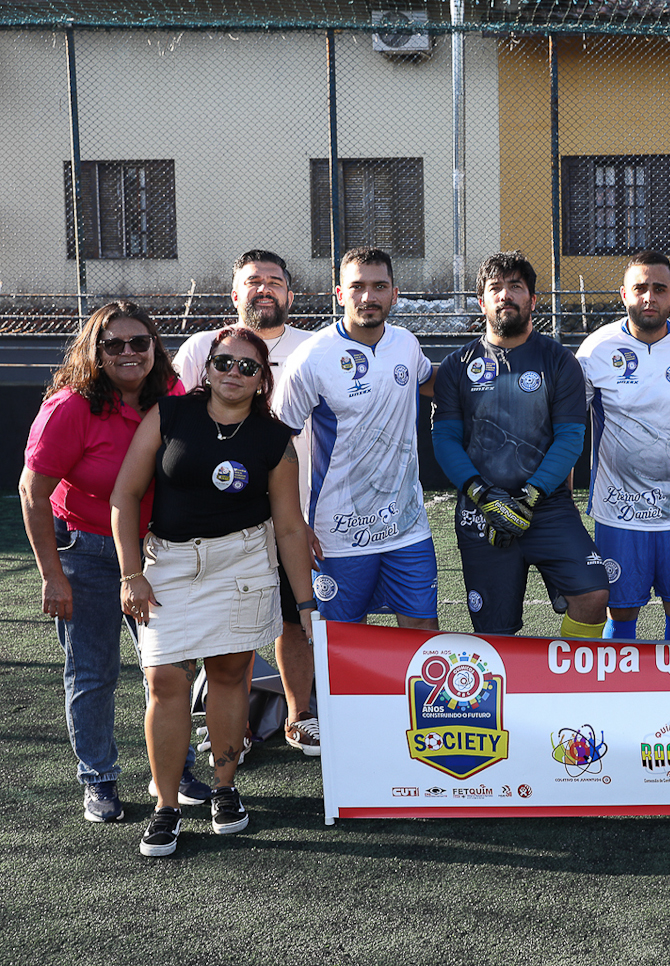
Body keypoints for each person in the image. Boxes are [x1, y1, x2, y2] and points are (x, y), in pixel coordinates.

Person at [112, 326, 316, 857]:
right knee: (164, 681)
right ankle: (167, 807)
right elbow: (125, 495)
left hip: (243, 562)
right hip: (170, 565)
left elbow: (291, 528)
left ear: (262, 379)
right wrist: (131, 574)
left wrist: (306, 602)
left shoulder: (275, 439)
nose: (234, 373)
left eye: (248, 367)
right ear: (206, 367)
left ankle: (225, 790)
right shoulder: (170, 415)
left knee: (229, 675)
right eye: (225, 362)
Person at [19, 301, 192, 823]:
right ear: (94, 352)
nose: (127, 352)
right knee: (94, 672)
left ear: (154, 348)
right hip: (87, 554)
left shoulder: (174, 398)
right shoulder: (70, 407)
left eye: (138, 342)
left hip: (158, 552)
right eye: (112, 344)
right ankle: (98, 779)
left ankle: (175, 773)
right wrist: (52, 575)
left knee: (168, 670)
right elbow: (32, 492)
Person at [174, 250, 322, 757]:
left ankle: (300, 715)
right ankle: (225, 723)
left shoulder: (316, 347)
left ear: (290, 294)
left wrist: (308, 517)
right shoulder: (200, 348)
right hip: (220, 521)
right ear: (234, 294)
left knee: (291, 617)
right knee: (218, 623)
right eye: (253, 282)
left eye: (275, 282)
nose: (264, 289)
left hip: (294, 514)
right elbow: (174, 421)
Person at [432, 251, 610, 637]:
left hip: (545, 507)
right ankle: (510, 697)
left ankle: (568, 691)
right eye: (495, 288)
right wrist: (483, 495)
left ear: (532, 300)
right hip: (481, 509)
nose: (505, 296)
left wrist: (529, 498)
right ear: (481, 301)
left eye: (515, 287)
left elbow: (570, 437)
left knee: (594, 594)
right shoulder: (456, 366)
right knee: (495, 631)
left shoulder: (560, 361)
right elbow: (444, 438)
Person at [272, 247, 440, 632]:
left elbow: (429, 381)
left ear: (394, 294)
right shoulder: (311, 357)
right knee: (343, 644)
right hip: (338, 534)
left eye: (379, 286)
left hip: (407, 528)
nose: (368, 297)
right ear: (339, 294)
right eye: (357, 287)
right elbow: (277, 443)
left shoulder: (406, 344)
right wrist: (294, 519)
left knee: (424, 637)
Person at [575, 251, 670, 642]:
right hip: (619, 509)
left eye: (659, 289)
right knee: (621, 606)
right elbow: (570, 428)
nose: (649, 297)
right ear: (623, 293)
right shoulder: (595, 351)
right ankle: (617, 696)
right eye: (640, 288)